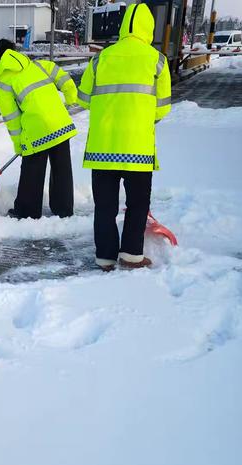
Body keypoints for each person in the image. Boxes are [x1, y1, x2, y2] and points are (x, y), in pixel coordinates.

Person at [77, 3, 171, 270]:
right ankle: (131, 255)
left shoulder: (100, 59)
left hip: (102, 148)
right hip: (138, 150)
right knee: (138, 204)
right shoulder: (157, 60)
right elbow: (162, 107)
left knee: (105, 207)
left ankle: (105, 258)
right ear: (148, 27)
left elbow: (84, 99)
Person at [0, 39, 78, 219]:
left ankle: (27, 212)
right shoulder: (36, 65)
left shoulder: (2, 81)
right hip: (61, 124)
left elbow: (13, 119)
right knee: (62, 169)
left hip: (37, 130)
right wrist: (70, 97)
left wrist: (19, 145)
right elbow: (62, 77)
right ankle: (63, 209)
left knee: (31, 170)